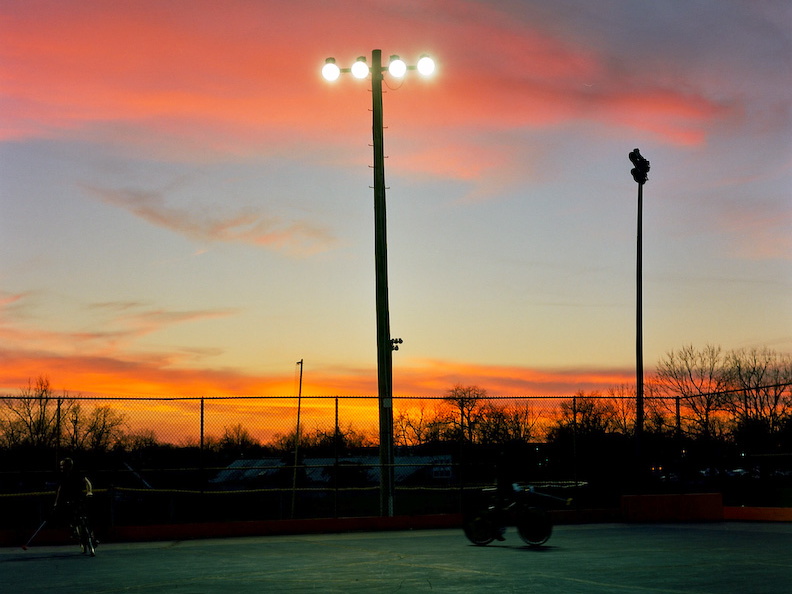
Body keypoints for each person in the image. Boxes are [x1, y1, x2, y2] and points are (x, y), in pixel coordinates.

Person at [53, 458, 96, 552]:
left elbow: (87, 482)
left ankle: (92, 535)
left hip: (79, 498)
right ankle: (75, 531)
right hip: (68, 500)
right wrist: (56, 502)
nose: (61, 467)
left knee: (87, 517)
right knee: (70, 517)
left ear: (68, 466)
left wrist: (89, 492)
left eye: (62, 465)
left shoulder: (77, 473)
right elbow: (60, 490)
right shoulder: (62, 476)